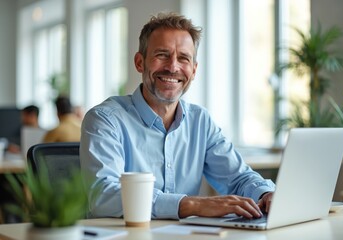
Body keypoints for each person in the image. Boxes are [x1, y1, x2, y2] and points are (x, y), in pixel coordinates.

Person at [80, 12, 275, 220]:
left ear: (194, 70)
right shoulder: (105, 120)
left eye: (183, 58)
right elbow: (104, 196)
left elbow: (238, 177)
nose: (173, 67)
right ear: (140, 62)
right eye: (162, 55)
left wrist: (266, 194)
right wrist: (190, 205)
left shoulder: (200, 121)